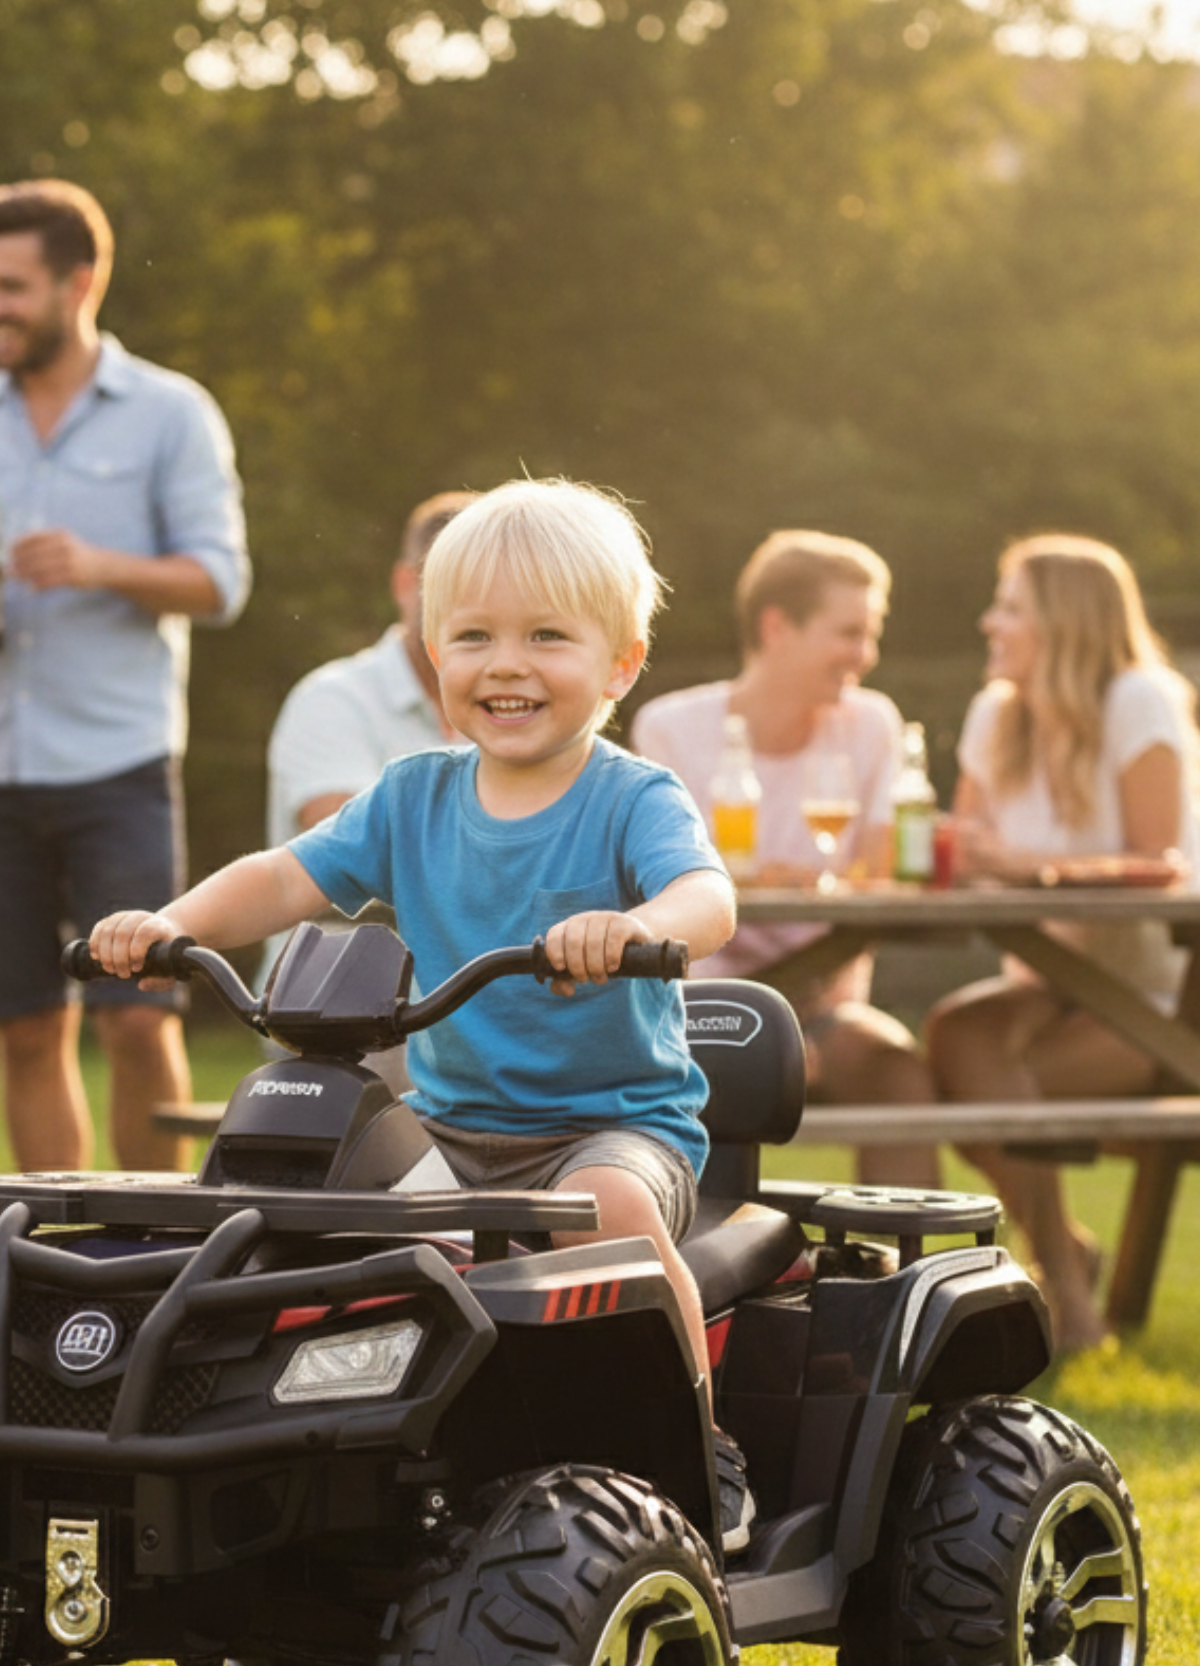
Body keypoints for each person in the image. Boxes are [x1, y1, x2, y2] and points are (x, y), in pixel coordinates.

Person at [90, 479, 752, 1545]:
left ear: (620, 661)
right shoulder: (412, 793)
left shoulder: (632, 797)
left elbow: (707, 899)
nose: (506, 663)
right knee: (303, 1225)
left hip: (608, 1127)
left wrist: (629, 926)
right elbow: (284, 873)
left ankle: (695, 1436)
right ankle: (342, 1465)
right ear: (430, 652)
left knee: (608, 1218)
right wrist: (166, 925)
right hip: (444, 1130)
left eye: (547, 635)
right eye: (472, 635)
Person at [0, 179, 249, 1175]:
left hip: (116, 761)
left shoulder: (171, 414)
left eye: (11, 286)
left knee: (137, 1016)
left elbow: (220, 580)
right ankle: (64, 1249)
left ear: (78, 283)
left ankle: (154, 1249)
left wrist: (98, 566)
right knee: (24, 1025)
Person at [926, 535, 1200, 1354]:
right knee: (951, 1039)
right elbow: (971, 846)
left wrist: (1029, 868)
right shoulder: (996, 713)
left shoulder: (1139, 698)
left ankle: (1069, 1310)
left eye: (1010, 606)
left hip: (1156, 1000)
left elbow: (1162, 864)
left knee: (990, 1089)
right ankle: (1067, 1260)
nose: (989, 622)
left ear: (1065, 621)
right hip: (1049, 981)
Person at [631, 530, 940, 1189]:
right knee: (660, 1074)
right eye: (849, 633)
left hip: (827, 1009)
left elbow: (882, 874)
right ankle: (706, 1263)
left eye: (870, 633)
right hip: (702, 1006)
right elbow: (657, 885)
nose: (866, 654)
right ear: (777, 627)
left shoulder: (872, 724)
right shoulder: (670, 728)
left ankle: (898, 1275)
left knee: (897, 1069)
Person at [264, 490, 475, 850]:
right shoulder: (331, 700)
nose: (473, 608)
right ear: (405, 584)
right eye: (453, 584)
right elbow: (358, 851)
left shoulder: (513, 705)